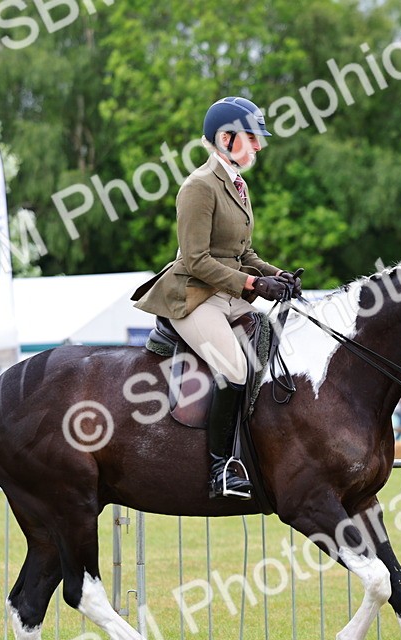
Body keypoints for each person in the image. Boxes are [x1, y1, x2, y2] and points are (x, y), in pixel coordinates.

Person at [132, 96, 302, 499]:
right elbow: (196, 259)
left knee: (283, 342)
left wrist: (276, 275)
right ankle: (221, 468)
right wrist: (252, 286)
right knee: (237, 368)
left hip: (228, 294)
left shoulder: (238, 186)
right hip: (193, 299)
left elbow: (243, 254)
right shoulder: (199, 187)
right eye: (251, 138)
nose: (258, 146)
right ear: (225, 139)